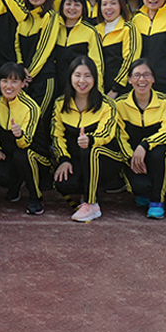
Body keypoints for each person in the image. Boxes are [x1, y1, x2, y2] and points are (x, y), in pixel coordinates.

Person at [52, 56, 124, 222]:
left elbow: (107, 133)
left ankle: (92, 204)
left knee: (92, 150)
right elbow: (57, 136)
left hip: (106, 159)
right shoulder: (60, 104)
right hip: (78, 158)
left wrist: (91, 140)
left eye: (88, 76)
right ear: (70, 77)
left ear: (95, 79)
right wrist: (63, 159)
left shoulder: (107, 104)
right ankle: (86, 189)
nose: (82, 81)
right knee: (63, 184)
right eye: (77, 75)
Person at [115, 59, 166, 219]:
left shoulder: (165, 102)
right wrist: (131, 158)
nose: (142, 79)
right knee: (140, 188)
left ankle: (157, 200)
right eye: (136, 75)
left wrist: (145, 145)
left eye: (146, 75)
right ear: (129, 80)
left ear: (153, 79)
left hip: (156, 156)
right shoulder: (120, 104)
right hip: (133, 157)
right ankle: (144, 191)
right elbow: (119, 136)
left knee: (160, 153)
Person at [0, 62, 47, 215]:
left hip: (35, 155)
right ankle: (15, 184)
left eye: (14, 81)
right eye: (4, 81)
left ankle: (36, 198)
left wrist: (19, 134)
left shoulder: (31, 107)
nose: (9, 86)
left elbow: (26, 143)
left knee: (22, 156)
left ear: (23, 83)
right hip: (11, 154)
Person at [15, 0, 60, 153]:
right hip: (24, 79)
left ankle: (43, 157)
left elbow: (45, 48)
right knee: (26, 118)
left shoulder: (51, 16)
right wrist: (20, 68)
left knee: (39, 117)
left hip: (44, 79)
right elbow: (16, 45)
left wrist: (30, 74)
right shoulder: (24, 18)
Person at [54, 0, 104, 95]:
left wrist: (98, 91)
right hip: (55, 87)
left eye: (77, 5)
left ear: (83, 8)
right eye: (68, 4)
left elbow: (97, 64)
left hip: (79, 88)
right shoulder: (54, 28)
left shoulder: (90, 31)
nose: (72, 8)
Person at [95, 0, 141, 98]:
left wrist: (116, 88)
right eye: (104, 4)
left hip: (121, 91)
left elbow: (130, 60)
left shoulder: (128, 28)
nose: (108, 8)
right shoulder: (95, 31)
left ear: (121, 5)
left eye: (113, 3)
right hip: (98, 91)